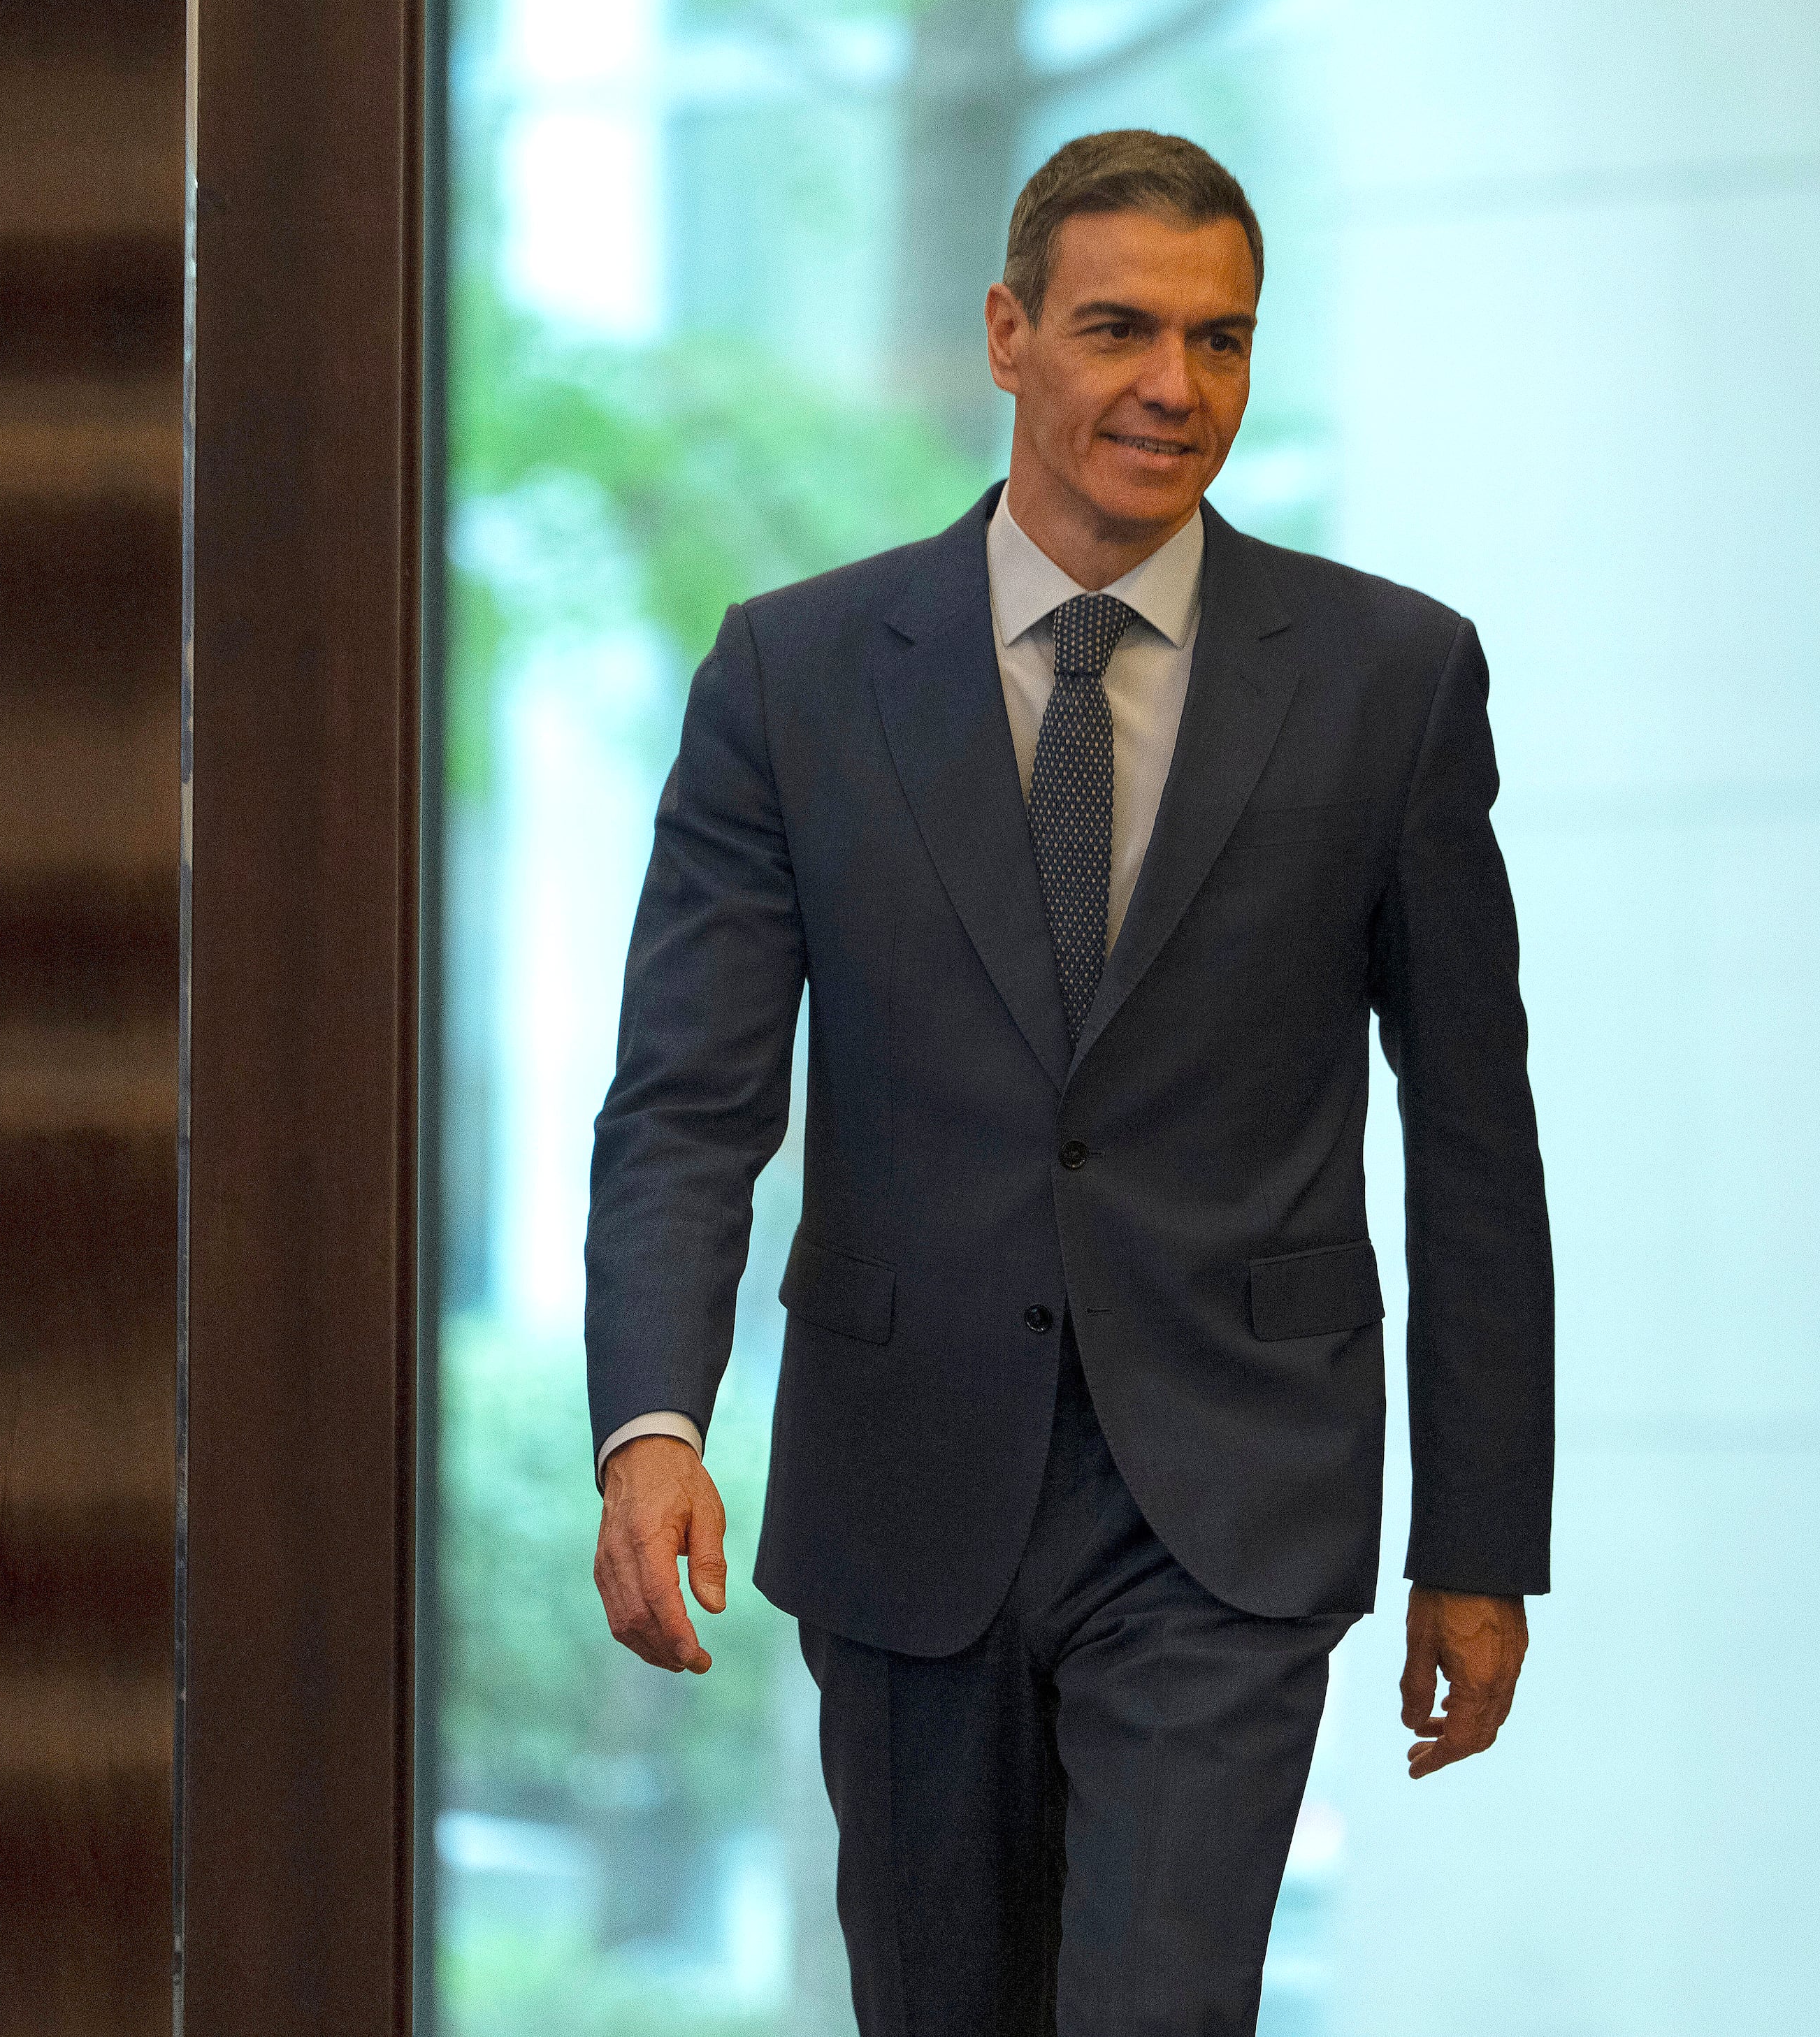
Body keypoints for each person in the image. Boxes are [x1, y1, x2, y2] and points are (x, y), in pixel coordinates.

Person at [584, 127, 1554, 2034]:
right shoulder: (793, 677)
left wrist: (1478, 1538)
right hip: (905, 1484)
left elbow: (1473, 1137)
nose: (1174, 386)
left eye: (1221, 339)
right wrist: (653, 1424)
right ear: (1008, 334)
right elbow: (688, 1101)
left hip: (1231, 1501)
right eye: (1120, 329)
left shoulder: (1391, 679)